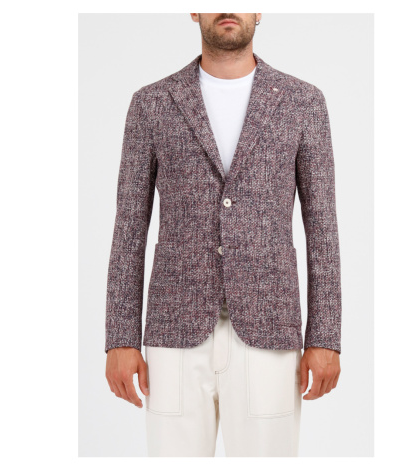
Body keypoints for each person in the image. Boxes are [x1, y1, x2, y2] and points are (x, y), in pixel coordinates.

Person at [105, 13, 342, 457]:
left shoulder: (302, 101)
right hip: (174, 331)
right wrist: (121, 337)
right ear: (193, 9)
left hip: (270, 329)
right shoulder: (151, 103)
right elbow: (129, 227)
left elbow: (323, 227)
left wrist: (325, 336)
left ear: (260, 11)